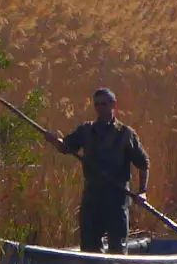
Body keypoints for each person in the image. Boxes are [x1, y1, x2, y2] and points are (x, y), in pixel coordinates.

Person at [52, 87, 149, 253]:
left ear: (113, 105)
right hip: (92, 198)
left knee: (118, 248)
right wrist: (55, 141)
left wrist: (142, 191)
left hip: (117, 200)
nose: (99, 108)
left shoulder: (125, 134)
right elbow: (66, 147)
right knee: (89, 246)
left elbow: (143, 163)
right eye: (96, 104)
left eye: (104, 104)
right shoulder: (86, 131)